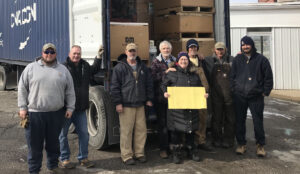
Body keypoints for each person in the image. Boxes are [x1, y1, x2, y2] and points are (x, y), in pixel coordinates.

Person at [18, 43, 76, 174]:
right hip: (34, 114)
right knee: (35, 146)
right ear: (42, 53)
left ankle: (52, 166)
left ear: (56, 53)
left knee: (53, 144)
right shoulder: (31, 68)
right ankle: (34, 170)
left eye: (52, 52)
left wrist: (70, 108)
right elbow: (22, 88)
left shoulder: (63, 69)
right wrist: (22, 107)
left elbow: (70, 91)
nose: (49, 54)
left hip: (56, 114)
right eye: (46, 52)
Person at [58, 45, 103, 169]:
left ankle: (83, 158)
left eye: (78, 53)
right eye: (74, 53)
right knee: (63, 135)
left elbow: (94, 69)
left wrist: (99, 57)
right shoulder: (63, 68)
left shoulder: (85, 66)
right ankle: (64, 158)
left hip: (81, 109)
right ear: (69, 53)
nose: (76, 55)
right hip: (66, 109)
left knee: (84, 134)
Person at [110, 43, 154, 165]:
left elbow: (149, 83)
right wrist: (118, 103)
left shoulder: (142, 67)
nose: (132, 53)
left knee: (141, 130)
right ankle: (127, 155)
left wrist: (149, 98)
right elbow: (114, 87)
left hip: (140, 104)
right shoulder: (119, 67)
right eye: (130, 51)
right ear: (126, 52)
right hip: (126, 105)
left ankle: (139, 153)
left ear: (137, 52)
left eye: (134, 51)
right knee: (126, 131)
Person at [161, 52, 208, 164]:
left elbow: (201, 88)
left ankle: (191, 150)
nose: (183, 61)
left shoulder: (194, 74)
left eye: (185, 59)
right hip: (176, 109)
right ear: (177, 61)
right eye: (181, 59)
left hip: (191, 108)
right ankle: (176, 153)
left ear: (188, 61)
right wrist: (165, 93)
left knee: (190, 131)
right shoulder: (172, 73)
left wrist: (204, 94)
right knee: (176, 132)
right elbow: (163, 85)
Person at [230, 36, 273, 157]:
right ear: (241, 46)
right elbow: (232, 76)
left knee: (257, 121)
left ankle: (260, 146)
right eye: (243, 45)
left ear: (252, 45)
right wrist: (233, 89)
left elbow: (268, 77)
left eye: (247, 44)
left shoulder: (261, 60)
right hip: (240, 96)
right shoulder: (237, 59)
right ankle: (241, 144)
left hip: (256, 96)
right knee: (239, 121)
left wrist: (265, 91)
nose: (245, 47)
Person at [205, 42, 235, 148]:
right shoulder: (208, 60)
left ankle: (228, 140)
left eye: (221, 49)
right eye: (218, 49)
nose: (220, 51)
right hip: (216, 95)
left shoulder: (232, 60)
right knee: (216, 118)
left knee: (230, 119)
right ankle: (216, 139)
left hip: (229, 95)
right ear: (214, 50)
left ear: (225, 49)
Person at [150, 41, 176, 159]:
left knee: (173, 123)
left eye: (168, 48)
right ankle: (163, 148)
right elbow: (153, 77)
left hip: (174, 97)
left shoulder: (175, 61)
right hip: (160, 98)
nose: (166, 50)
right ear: (160, 50)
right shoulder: (155, 62)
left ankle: (172, 146)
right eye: (164, 48)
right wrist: (166, 72)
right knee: (162, 124)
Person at [186, 39, 213, 151]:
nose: (193, 49)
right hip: (189, 95)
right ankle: (189, 143)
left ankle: (201, 140)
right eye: (191, 47)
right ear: (187, 49)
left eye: (195, 47)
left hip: (202, 95)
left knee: (203, 118)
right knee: (190, 119)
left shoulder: (202, 61)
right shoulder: (184, 60)